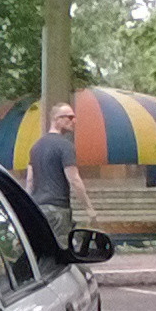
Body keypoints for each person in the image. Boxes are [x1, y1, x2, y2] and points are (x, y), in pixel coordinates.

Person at [25, 101, 98, 246]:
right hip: (58, 210)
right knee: (61, 252)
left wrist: (29, 208)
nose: (74, 121)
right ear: (57, 120)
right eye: (69, 117)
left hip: (38, 210)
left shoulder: (36, 147)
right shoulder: (65, 146)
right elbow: (74, 179)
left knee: (40, 248)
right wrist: (89, 208)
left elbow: (29, 181)